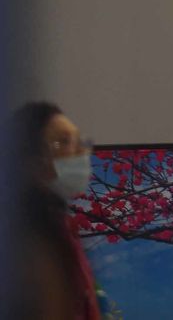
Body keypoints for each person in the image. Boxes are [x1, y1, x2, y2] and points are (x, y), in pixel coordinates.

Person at [13, 102, 101, 320]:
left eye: (79, 141)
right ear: (30, 160)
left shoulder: (60, 228)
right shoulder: (25, 240)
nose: (81, 151)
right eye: (63, 142)